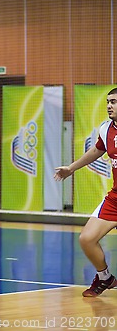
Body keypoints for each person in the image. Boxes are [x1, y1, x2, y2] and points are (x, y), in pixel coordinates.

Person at [54, 87, 117, 297]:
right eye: (108, 101)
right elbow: (96, 150)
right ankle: (105, 277)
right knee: (86, 239)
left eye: (114, 102)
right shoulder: (106, 129)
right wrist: (70, 168)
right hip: (115, 199)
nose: (109, 105)